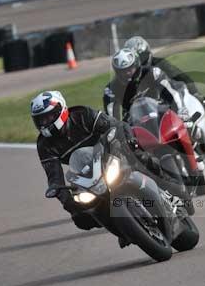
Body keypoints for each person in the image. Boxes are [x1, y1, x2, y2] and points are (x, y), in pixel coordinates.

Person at [31, 91, 190, 234]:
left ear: (61, 110)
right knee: (81, 217)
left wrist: (127, 142)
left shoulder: (82, 114)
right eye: (40, 119)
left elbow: (115, 125)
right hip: (86, 173)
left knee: (139, 157)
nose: (45, 122)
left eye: (49, 116)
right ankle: (123, 229)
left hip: (110, 151)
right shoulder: (44, 145)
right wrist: (67, 202)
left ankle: (172, 186)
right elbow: (54, 177)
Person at [103, 48, 190, 122]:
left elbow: (173, 92)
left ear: (136, 65)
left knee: (188, 127)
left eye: (130, 68)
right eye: (123, 71)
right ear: (117, 71)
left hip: (162, 113)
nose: (127, 73)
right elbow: (112, 119)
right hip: (134, 122)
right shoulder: (111, 89)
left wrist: (181, 111)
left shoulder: (153, 73)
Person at [122, 36, 205, 110]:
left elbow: (181, 77)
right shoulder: (127, 77)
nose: (141, 62)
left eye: (143, 57)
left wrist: (195, 93)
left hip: (169, 101)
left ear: (148, 53)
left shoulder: (160, 64)